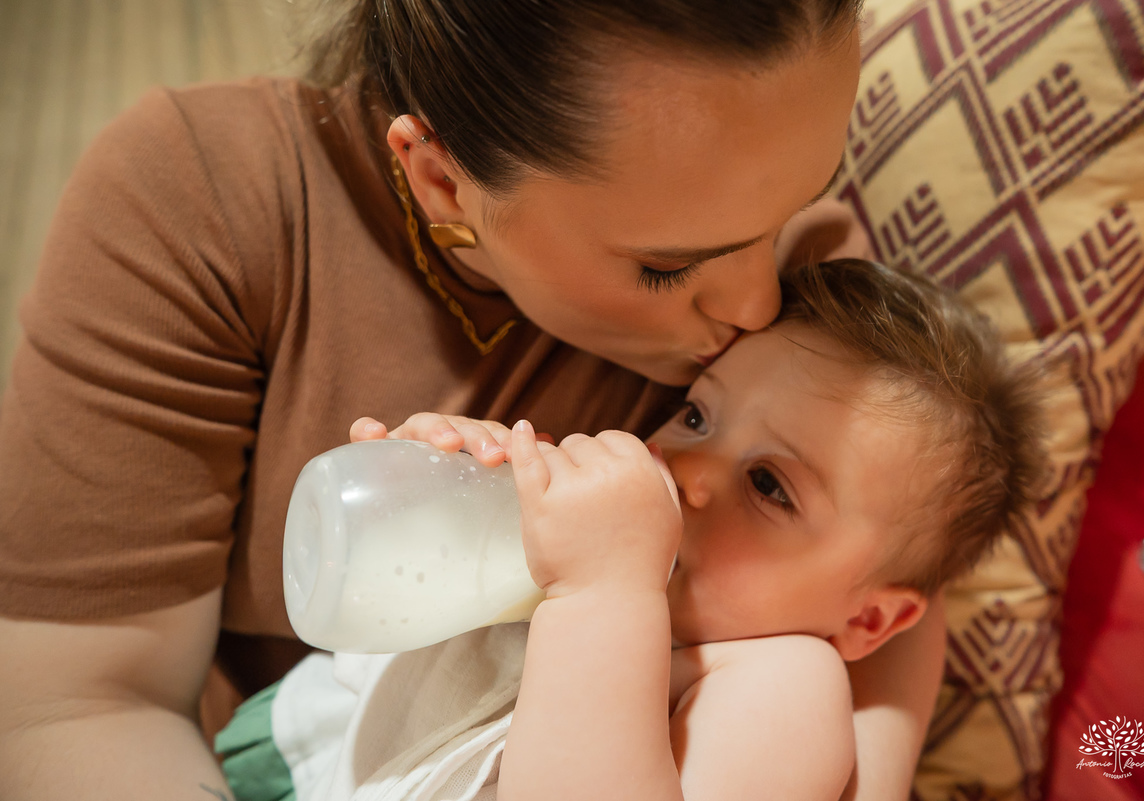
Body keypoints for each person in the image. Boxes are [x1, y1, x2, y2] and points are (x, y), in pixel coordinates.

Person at [0, 3, 943, 799]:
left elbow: (890, 561)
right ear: (442, 177)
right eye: (669, 264)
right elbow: (79, 702)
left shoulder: (792, 300)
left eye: (792, 206)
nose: (759, 306)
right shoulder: (211, 205)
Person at [216, 259, 1046, 801]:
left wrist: (603, 592)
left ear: (868, 621)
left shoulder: (784, 687)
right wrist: (447, 475)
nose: (685, 470)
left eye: (769, 484)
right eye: (696, 415)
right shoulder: (601, 547)